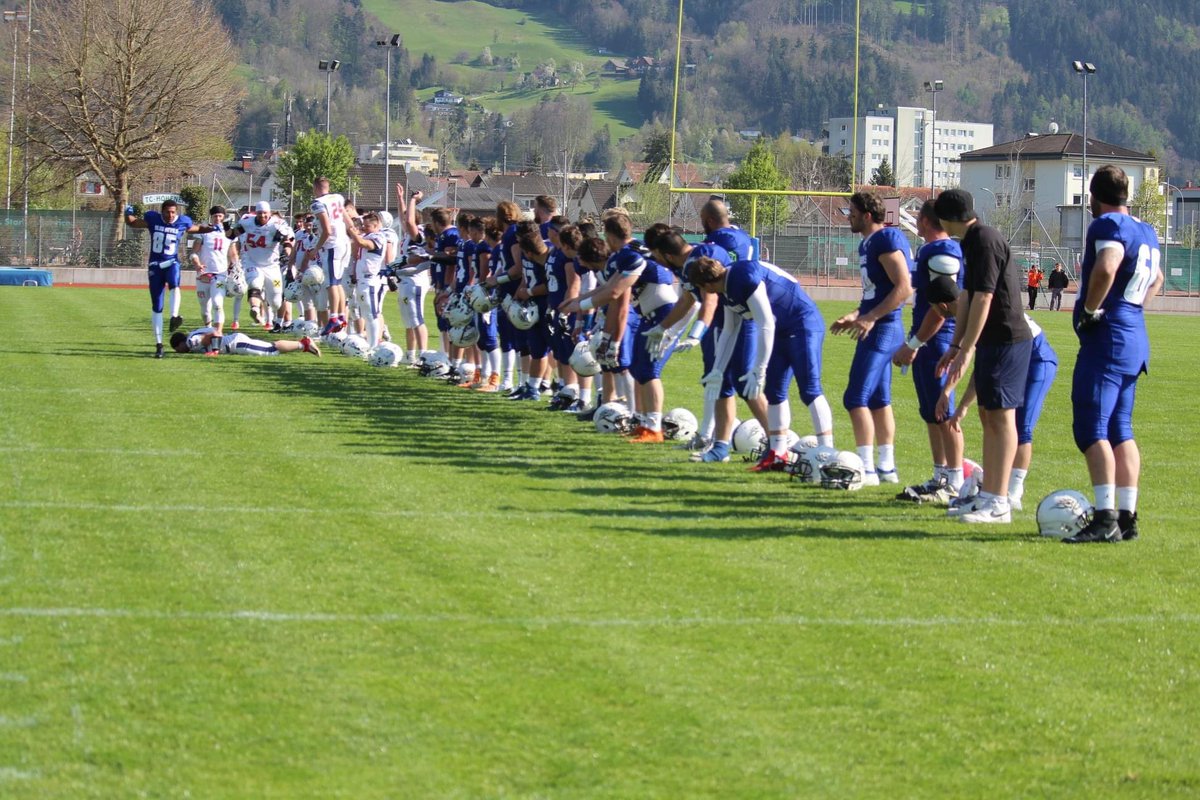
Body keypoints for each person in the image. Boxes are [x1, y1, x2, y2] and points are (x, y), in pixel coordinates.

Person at [1062, 165, 1163, 544]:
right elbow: (1157, 279)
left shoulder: (1108, 226)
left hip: (1108, 339)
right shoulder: (1146, 229)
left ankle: (1105, 518)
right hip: (1133, 335)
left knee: (1091, 427)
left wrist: (1090, 309)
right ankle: (1127, 517)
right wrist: (1133, 308)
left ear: (1094, 197)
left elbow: (1106, 266)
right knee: (1120, 429)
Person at [933, 188, 1032, 524]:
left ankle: (998, 502)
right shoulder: (970, 241)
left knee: (1002, 419)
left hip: (1008, 340)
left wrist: (965, 348)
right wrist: (955, 344)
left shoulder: (985, 239)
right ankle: (988, 494)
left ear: (946, 219)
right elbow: (967, 295)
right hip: (992, 341)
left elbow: (984, 299)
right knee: (988, 416)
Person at [691, 255, 832, 469]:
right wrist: (717, 370)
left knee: (809, 389)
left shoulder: (741, 278)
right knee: (774, 392)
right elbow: (730, 330)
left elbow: (766, 323)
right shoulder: (727, 285)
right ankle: (777, 454)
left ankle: (827, 454)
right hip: (780, 329)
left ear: (707, 284)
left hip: (802, 323)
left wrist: (759, 368)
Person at [831, 191, 913, 485]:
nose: (848, 216)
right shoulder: (868, 243)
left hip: (885, 327)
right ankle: (887, 467)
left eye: (852, 211)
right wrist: (856, 315)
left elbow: (904, 288)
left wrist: (871, 317)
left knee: (855, 398)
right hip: (878, 324)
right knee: (879, 400)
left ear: (867, 215)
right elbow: (874, 294)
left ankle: (865, 469)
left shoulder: (885, 239)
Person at [892, 200, 966, 504]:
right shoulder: (932, 251)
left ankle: (956, 480)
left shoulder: (942, 252)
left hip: (938, 339)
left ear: (924, 221)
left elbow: (943, 308)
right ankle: (940, 476)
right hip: (928, 338)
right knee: (931, 413)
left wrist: (914, 344)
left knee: (943, 412)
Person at [124, 199, 216, 358]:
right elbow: (133, 223)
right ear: (162, 212)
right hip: (155, 265)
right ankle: (159, 345)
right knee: (157, 306)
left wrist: (212, 228)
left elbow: (196, 228)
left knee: (175, 284)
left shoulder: (182, 221)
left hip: (171, 261)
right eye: (168, 212)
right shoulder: (153, 219)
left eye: (173, 212)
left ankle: (175, 316)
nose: (171, 215)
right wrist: (127, 213)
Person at [230, 202, 293, 332]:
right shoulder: (247, 221)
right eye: (260, 213)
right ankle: (254, 309)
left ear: (270, 213)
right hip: (252, 262)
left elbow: (288, 241)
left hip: (272, 265)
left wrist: (287, 253)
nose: (262, 215)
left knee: (276, 300)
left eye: (265, 213)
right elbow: (232, 235)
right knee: (254, 284)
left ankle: (275, 318)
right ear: (255, 213)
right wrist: (226, 227)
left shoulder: (278, 224)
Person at [304, 177, 350, 335]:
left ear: (315, 187)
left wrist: (316, 249)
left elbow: (327, 230)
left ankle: (334, 318)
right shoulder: (338, 197)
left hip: (332, 245)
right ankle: (342, 316)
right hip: (344, 242)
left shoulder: (318, 203)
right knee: (338, 282)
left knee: (332, 284)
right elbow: (348, 220)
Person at [188, 205, 236, 350]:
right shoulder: (204, 231)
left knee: (217, 303)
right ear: (211, 217)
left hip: (220, 275)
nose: (218, 218)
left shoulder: (229, 233)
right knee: (205, 310)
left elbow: (233, 254)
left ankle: (218, 333)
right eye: (215, 216)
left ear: (224, 217)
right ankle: (208, 328)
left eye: (220, 216)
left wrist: (236, 267)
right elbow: (194, 252)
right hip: (203, 276)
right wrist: (196, 263)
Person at [169, 327, 320, 357]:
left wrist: (215, 350)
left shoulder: (191, 342)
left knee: (271, 350)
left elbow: (215, 333)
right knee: (270, 348)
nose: (180, 353)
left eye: (178, 350)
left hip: (236, 344)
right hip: (235, 341)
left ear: (179, 345)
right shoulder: (194, 332)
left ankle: (304, 343)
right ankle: (304, 345)